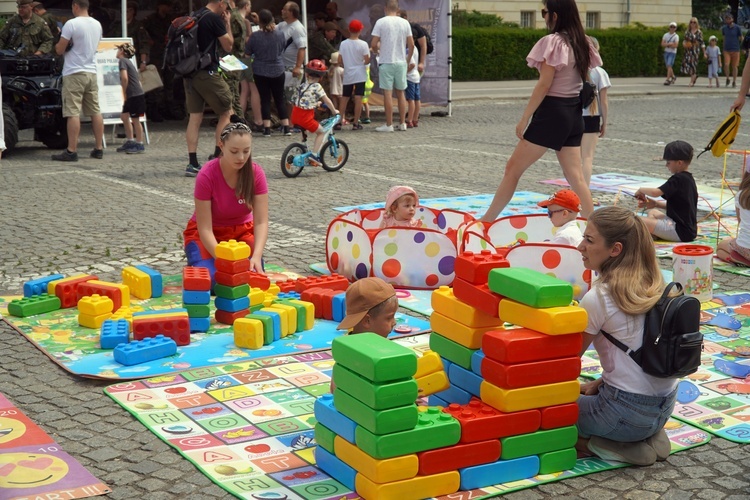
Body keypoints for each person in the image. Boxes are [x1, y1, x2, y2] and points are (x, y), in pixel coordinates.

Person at [480, 0, 600, 222]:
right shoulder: (582, 42)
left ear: (555, 15)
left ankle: (486, 221)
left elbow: (544, 84)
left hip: (553, 113)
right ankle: (595, 228)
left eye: (544, 12)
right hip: (574, 113)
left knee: (513, 169)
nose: (543, 16)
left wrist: (524, 117)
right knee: (576, 178)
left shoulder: (552, 42)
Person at [576, 206, 675, 466]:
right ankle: (650, 435)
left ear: (615, 250)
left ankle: (602, 444)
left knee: (542, 413)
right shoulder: (659, 285)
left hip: (623, 414)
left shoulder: (598, 297)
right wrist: (600, 382)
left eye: (588, 240)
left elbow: (565, 362)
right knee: (589, 387)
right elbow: (641, 354)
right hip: (665, 407)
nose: (580, 246)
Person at [183, 122, 268, 285]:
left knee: (248, 277)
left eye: (246, 151)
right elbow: (205, 228)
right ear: (221, 146)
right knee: (216, 280)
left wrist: (257, 255)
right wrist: (224, 260)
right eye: (234, 151)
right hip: (208, 235)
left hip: (241, 233)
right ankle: (197, 264)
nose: (241, 158)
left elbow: (261, 222)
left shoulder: (256, 173)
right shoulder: (207, 175)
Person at [183, 0, 235, 177]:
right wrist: (227, 24)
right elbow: (228, 46)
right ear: (220, 2)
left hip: (190, 73)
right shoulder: (213, 19)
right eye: (227, 5)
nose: (227, 9)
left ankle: (192, 163)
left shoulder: (195, 15)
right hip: (207, 73)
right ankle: (217, 158)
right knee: (226, 111)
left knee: (195, 117)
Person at [52, 0, 103, 162]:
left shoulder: (71, 24)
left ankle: (71, 150)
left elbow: (59, 50)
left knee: (72, 112)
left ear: (75, 6)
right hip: (91, 71)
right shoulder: (97, 24)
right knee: (95, 110)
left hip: (74, 71)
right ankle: (98, 148)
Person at [633, 140, 697, 243]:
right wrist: (656, 204)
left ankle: (649, 236)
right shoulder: (689, 179)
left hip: (678, 231)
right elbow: (682, 207)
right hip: (688, 231)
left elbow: (655, 192)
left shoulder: (678, 179)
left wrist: (641, 190)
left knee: (635, 220)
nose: (666, 165)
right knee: (652, 212)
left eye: (668, 162)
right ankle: (653, 234)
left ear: (679, 163)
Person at [245, 8, 292, 138]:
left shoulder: (255, 36)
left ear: (259, 21)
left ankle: (266, 128)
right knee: (280, 98)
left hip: (260, 70)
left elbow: (247, 53)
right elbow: (282, 48)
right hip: (278, 68)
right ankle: (286, 127)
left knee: (265, 99)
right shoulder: (280, 34)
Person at [371, 0, 414, 132]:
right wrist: (408, 59)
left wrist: (377, 51)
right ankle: (402, 123)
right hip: (401, 62)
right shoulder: (405, 22)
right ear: (398, 9)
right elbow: (411, 44)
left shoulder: (381, 22)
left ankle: (389, 124)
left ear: (385, 8)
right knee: (401, 93)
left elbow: (373, 43)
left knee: (388, 94)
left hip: (386, 61)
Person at [290, 59, 339, 166]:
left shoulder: (302, 85)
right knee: (321, 132)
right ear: (321, 77)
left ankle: (304, 147)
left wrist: (315, 104)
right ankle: (314, 155)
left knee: (305, 128)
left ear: (306, 74)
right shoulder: (317, 87)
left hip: (295, 115)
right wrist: (334, 111)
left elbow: (296, 100)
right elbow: (327, 100)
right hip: (305, 117)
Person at [581, 36, 610, 186]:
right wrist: (605, 121)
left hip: (572, 115)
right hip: (591, 117)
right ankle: (583, 191)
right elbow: (603, 101)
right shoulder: (599, 72)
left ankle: (573, 190)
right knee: (587, 157)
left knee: (570, 158)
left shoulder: (574, 68)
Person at [338, 19, 370, 130]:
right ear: (360, 30)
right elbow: (367, 60)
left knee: (344, 98)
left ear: (349, 30)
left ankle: (339, 121)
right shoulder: (363, 44)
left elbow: (339, 60)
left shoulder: (343, 44)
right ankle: (356, 123)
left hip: (348, 73)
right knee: (358, 98)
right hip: (360, 73)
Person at [114, 43, 146, 154]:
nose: (117, 51)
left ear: (122, 51)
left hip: (134, 94)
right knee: (124, 116)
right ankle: (130, 140)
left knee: (135, 119)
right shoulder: (128, 62)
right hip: (134, 94)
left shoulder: (122, 61)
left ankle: (139, 144)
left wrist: (124, 92)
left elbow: (124, 78)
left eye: (118, 49)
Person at [276, 2, 307, 109]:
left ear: (291, 12)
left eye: (284, 9)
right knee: (283, 97)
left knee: (291, 98)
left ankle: (291, 123)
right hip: (282, 66)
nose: (282, 11)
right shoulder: (283, 25)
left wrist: (297, 67)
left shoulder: (297, 28)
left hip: (292, 68)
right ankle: (285, 123)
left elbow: (302, 48)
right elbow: (271, 29)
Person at [717, 171, 750, 264]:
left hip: (745, 247)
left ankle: (738, 259)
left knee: (721, 247)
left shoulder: (741, 195)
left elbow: (741, 222)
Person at [681, 17, 704, 87]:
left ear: (696, 23)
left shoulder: (699, 32)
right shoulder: (687, 32)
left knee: (693, 64)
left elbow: (701, 42)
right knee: (688, 65)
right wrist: (684, 44)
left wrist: (704, 52)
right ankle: (694, 76)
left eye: (694, 22)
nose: (692, 23)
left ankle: (691, 81)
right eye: (691, 22)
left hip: (695, 50)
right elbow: (685, 40)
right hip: (688, 50)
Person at [721, 13, 742, 88]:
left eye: (729, 18)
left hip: (735, 49)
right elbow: (724, 38)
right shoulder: (724, 28)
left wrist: (741, 46)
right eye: (726, 18)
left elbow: (740, 37)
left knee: (735, 66)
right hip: (727, 49)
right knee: (726, 64)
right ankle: (727, 78)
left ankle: (734, 81)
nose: (728, 20)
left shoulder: (737, 28)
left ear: (732, 19)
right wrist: (723, 48)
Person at [405, 46, 421, 128]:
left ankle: (409, 120)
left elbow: (412, 64)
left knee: (411, 100)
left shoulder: (408, 49)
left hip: (410, 77)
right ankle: (415, 119)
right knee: (417, 99)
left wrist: (404, 73)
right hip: (416, 76)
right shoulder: (415, 48)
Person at [328, 51, 345, 127]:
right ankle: (342, 118)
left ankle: (334, 117)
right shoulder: (341, 70)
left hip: (333, 89)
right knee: (342, 105)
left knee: (335, 105)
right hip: (340, 89)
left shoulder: (330, 70)